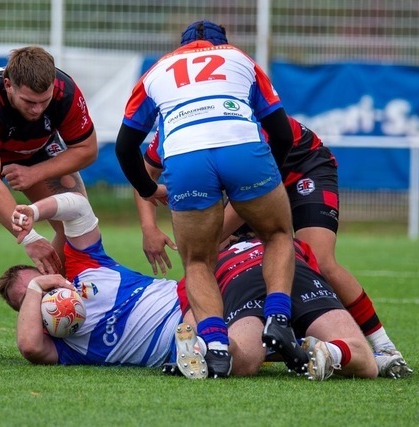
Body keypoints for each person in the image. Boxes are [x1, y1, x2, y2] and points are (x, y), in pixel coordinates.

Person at [0, 191, 387, 381]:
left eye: (48, 284)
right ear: (31, 314)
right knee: (247, 357)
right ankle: (319, 349)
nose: (53, 297)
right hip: (218, 305)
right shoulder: (66, 346)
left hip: (201, 296)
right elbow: (29, 346)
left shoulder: (85, 266)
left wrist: (34, 211)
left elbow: (78, 206)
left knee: (234, 348)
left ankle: (203, 344)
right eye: (35, 298)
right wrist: (37, 288)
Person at [138, 117, 412, 377]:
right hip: (250, 177)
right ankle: (287, 342)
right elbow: (144, 173)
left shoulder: (237, 122)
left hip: (300, 166)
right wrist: (149, 228)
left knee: (318, 261)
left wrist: (207, 240)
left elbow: (248, 195)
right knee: (214, 252)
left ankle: (384, 347)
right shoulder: (173, 126)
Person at [114, 19, 306, 377]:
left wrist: (148, 189)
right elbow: (282, 133)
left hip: (185, 157)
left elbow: (125, 147)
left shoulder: (155, 72)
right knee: (278, 234)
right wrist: (269, 180)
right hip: (242, 148)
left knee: (198, 261)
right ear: (222, 43)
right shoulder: (240, 59)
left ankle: (216, 347)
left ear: (181, 47)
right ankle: (278, 319)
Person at [0, 46, 97, 357]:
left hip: (38, 150)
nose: (37, 109)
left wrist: (34, 173)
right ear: (9, 85)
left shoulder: (65, 91)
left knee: (73, 217)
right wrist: (29, 237)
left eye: (44, 101)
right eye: (28, 101)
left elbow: (87, 150)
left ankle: (56, 305)